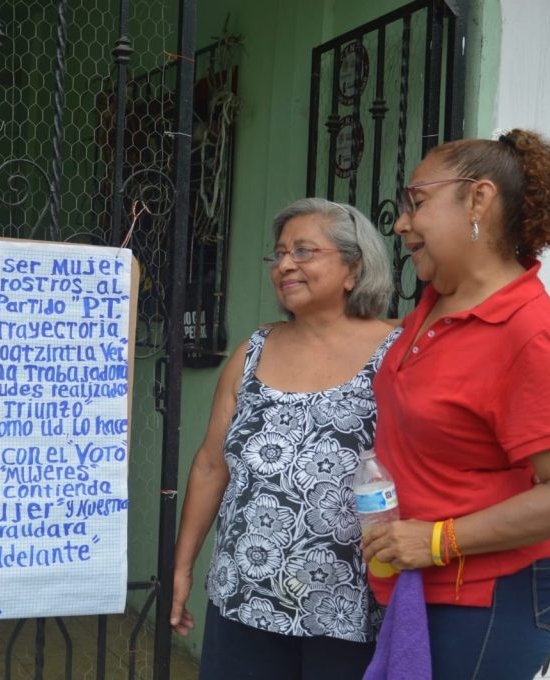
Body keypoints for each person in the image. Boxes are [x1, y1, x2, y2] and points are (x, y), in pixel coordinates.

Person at [362, 129, 550, 679]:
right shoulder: (434, 303)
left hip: (488, 602)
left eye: (418, 202)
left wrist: (438, 538)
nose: (402, 223)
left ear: (478, 198)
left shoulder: (528, 331)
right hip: (419, 590)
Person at [170, 198, 400, 679]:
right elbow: (212, 465)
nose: (285, 265)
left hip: (350, 606)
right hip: (245, 597)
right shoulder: (253, 350)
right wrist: (183, 565)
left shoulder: (397, 350)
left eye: (303, 251)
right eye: (278, 254)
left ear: (353, 269)